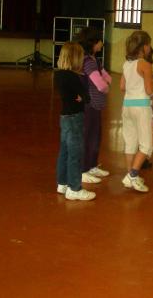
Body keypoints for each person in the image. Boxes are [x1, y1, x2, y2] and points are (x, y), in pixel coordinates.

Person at [54, 42, 96, 201]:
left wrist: (80, 97)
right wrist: (82, 97)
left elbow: (80, 96)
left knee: (64, 151)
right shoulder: (73, 76)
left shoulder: (59, 75)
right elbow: (86, 96)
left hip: (65, 117)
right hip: (75, 118)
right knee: (75, 154)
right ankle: (74, 188)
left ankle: (62, 182)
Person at [120, 31, 153, 193]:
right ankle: (132, 175)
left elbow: (122, 87)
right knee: (147, 145)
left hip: (127, 105)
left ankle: (131, 174)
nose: (150, 47)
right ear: (144, 46)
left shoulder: (126, 64)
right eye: (149, 44)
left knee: (130, 142)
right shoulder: (145, 64)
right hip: (141, 107)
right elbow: (149, 90)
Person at [77, 27, 111, 184]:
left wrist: (106, 81)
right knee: (87, 136)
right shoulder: (88, 62)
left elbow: (106, 76)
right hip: (89, 105)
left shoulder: (95, 60)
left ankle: (92, 165)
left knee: (96, 136)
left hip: (96, 106)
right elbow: (101, 85)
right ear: (92, 43)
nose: (102, 44)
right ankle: (83, 169)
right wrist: (106, 86)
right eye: (99, 41)